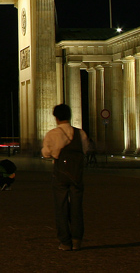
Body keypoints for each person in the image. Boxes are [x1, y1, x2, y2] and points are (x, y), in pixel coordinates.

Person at [42, 103, 90, 251]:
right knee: (77, 208)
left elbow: (46, 153)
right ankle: (77, 240)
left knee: (61, 207)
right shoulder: (80, 133)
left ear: (56, 118)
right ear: (70, 116)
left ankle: (65, 242)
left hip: (60, 174)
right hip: (76, 175)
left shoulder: (52, 134)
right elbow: (85, 150)